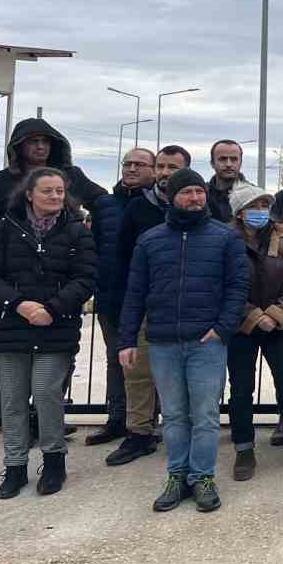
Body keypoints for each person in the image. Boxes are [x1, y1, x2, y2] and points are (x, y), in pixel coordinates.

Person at [119, 167, 250, 513]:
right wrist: (127, 339)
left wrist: (222, 328)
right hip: (163, 341)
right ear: (172, 197)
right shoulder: (150, 240)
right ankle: (177, 474)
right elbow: (134, 293)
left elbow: (237, 288)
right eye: (186, 192)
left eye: (199, 192)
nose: (194, 198)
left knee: (205, 414)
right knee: (174, 415)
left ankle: (203, 476)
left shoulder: (225, 238)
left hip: (207, 341)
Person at [0, 168, 97, 499]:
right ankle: (14, 466)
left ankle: (54, 461)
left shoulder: (76, 232)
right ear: (29, 194)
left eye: (60, 191)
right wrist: (19, 304)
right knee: (13, 400)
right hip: (11, 326)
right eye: (47, 191)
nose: (55, 197)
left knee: (46, 393)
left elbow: (85, 279)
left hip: (55, 328)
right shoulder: (6, 229)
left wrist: (52, 309)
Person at [224, 184, 283, 479]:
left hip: (279, 325)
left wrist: (277, 314)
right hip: (241, 328)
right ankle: (244, 449)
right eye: (255, 206)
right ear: (240, 213)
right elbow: (224, 285)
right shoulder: (227, 242)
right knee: (241, 390)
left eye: (265, 206)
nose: (261, 212)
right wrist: (252, 315)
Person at [106, 144, 190, 466]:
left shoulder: (199, 205)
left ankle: (184, 432)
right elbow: (124, 259)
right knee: (138, 373)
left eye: (173, 167)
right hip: (146, 304)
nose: (166, 173)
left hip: (188, 306)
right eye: (162, 166)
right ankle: (139, 434)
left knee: (185, 374)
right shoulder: (138, 209)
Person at [85, 147, 155, 445]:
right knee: (117, 360)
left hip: (149, 298)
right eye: (127, 163)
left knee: (150, 362)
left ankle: (147, 423)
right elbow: (94, 248)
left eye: (140, 164)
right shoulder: (105, 204)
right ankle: (117, 419)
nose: (132, 168)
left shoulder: (157, 205)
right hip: (112, 295)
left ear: (153, 170)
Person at [0, 117, 106, 216]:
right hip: (15, 247)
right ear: (19, 146)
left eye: (45, 141)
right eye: (33, 141)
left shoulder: (72, 176)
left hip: (64, 247)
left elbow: (104, 203)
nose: (40, 146)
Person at [207, 140, 249, 223]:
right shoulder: (200, 195)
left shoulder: (254, 196)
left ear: (241, 163)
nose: (228, 164)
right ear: (212, 163)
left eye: (234, 159)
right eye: (222, 159)